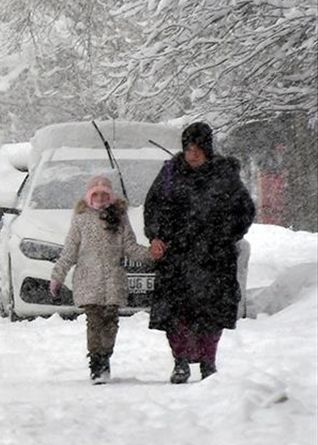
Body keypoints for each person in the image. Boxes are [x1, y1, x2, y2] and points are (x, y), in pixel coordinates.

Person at [144, 122, 256, 384]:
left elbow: (244, 211)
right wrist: (156, 236)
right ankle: (180, 362)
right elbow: (153, 207)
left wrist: (227, 235)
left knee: (211, 312)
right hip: (177, 257)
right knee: (177, 313)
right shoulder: (170, 173)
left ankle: (208, 362)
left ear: (206, 148)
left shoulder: (224, 175)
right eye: (187, 149)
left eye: (196, 149)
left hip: (214, 258)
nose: (191, 155)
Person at [49, 175, 151, 383]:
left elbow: (129, 247)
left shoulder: (120, 217)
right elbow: (70, 250)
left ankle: (106, 357)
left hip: (113, 280)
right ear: (89, 196)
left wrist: (151, 255)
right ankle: (96, 363)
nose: (100, 198)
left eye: (105, 195)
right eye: (96, 194)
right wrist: (57, 276)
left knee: (110, 322)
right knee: (94, 322)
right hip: (88, 281)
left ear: (111, 197)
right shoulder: (81, 218)